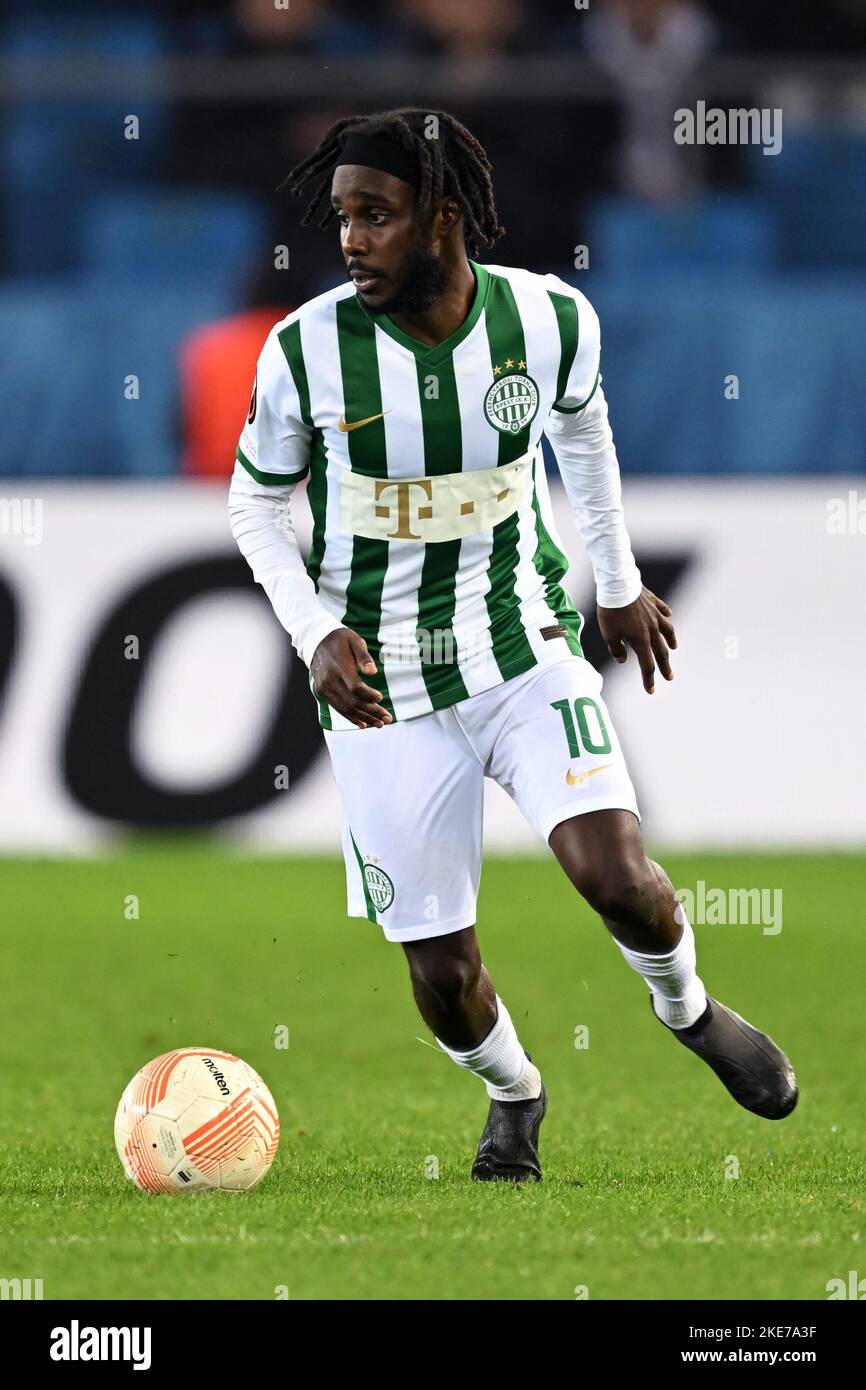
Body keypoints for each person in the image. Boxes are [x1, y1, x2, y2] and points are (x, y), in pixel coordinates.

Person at [228, 107, 796, 1182]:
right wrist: (315, 631)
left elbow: (582, 428)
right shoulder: (304, 349)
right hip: (379, 686)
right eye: (342, 217)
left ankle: (687, 1010)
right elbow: (255, 507)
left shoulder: (545, 320)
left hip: (520, 643)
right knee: (443, 975)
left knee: (615, 872)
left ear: (442, 218)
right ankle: (512, 1090)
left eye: (375, 216)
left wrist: (617, 586)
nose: (350, 240)